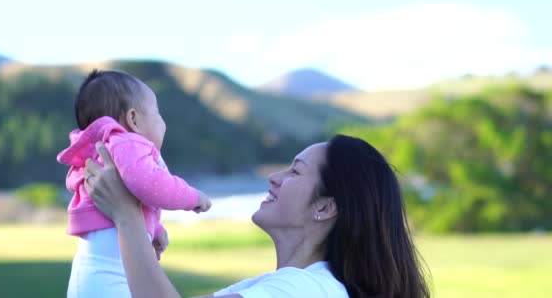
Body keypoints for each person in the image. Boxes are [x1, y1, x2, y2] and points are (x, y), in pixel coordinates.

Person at [84, 134, 431, 298]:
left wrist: (127, 216)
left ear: (325, 207)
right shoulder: (285, 286)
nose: (274, 178)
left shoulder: (304, 290)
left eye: (295, 172)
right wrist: (138, 240)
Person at [57, 70, 212, 298]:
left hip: (95, 271)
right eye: (158, 114)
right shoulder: (128, 142)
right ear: (133, 120)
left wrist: (154, 228)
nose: (163, 122)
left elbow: (136, 196)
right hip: (110, 275)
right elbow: (151, 185)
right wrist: (193, 197)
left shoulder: (114, 150)